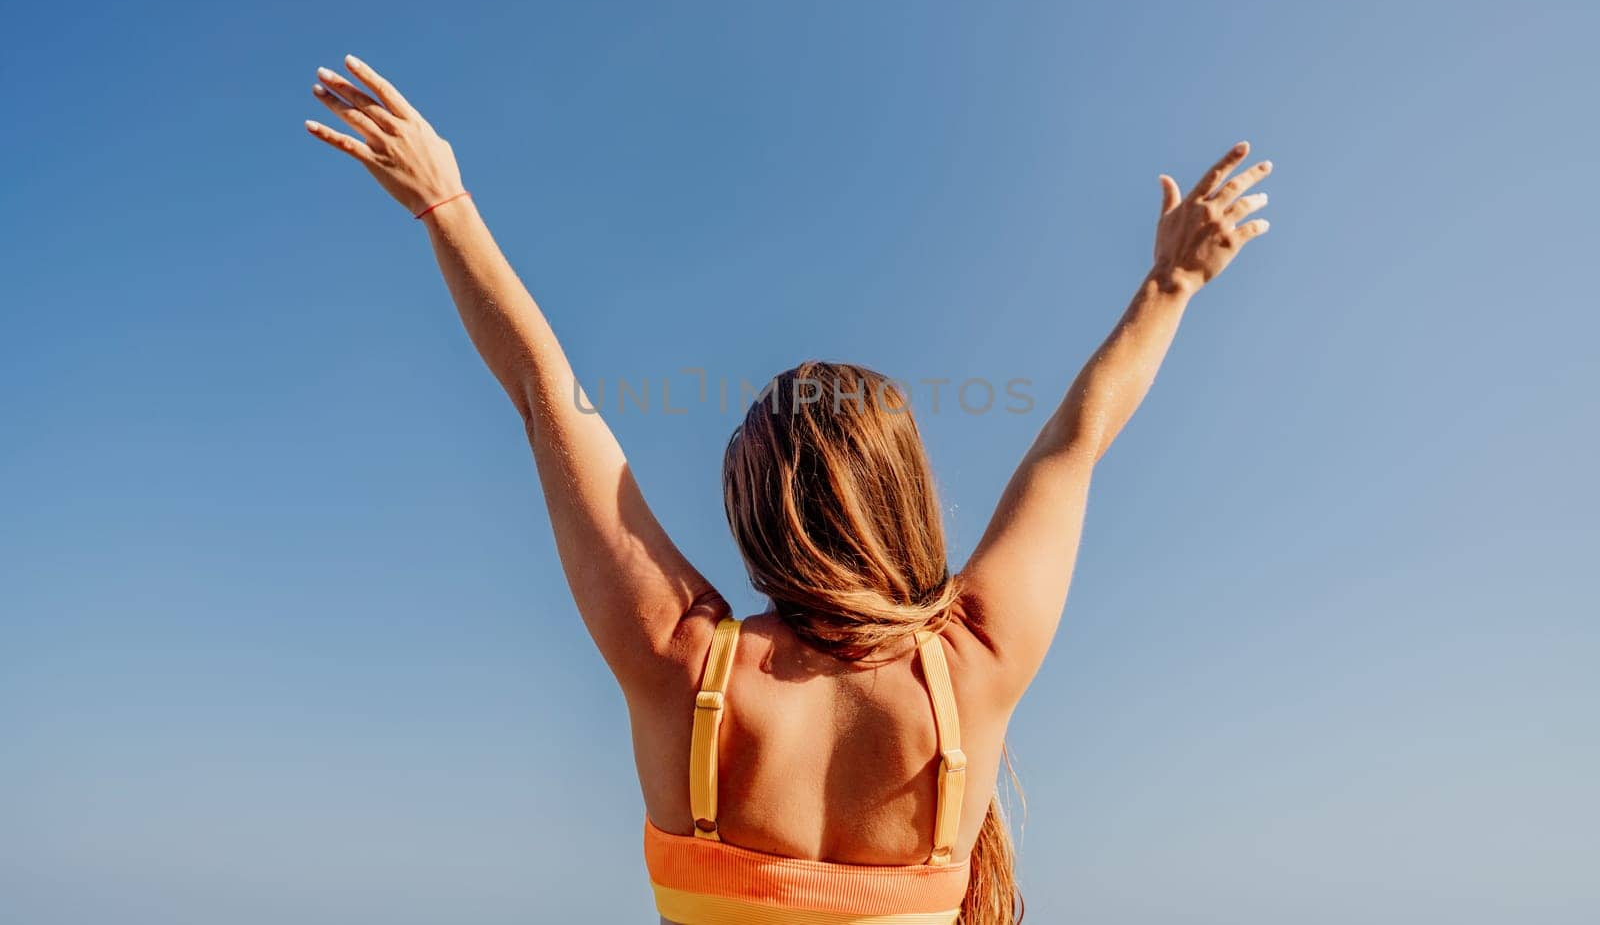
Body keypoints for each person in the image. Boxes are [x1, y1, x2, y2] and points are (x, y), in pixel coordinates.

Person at [305, 55, 1272, 925]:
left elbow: (544, 394)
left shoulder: (681, 665)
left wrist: (447, 205)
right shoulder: (973, 666)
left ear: (754, 510)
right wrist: (1172, 283)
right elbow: (1075, 443)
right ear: (903, 493)